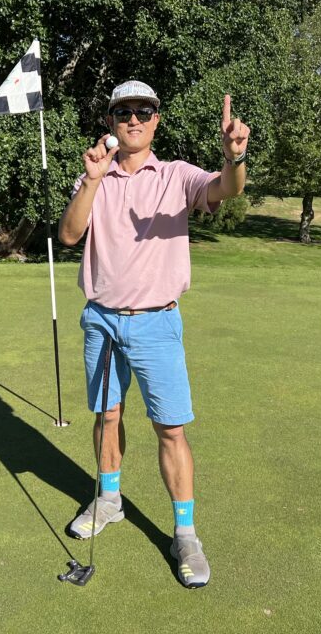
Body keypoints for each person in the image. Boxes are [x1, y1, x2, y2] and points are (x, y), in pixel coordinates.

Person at [58, 80, 250, 588]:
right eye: (124, 112)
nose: (134, 119)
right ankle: (109, 499)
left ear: (156, 120)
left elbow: (226, 189)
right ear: (111, 121)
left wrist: (234, 157)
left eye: (143, 111)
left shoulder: (176, 175)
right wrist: (91, 181)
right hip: (101, 319)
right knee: (107, 415)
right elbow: (69, 235)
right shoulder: (94, 176)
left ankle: (185, 534)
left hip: (155, 322)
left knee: (170, 428)